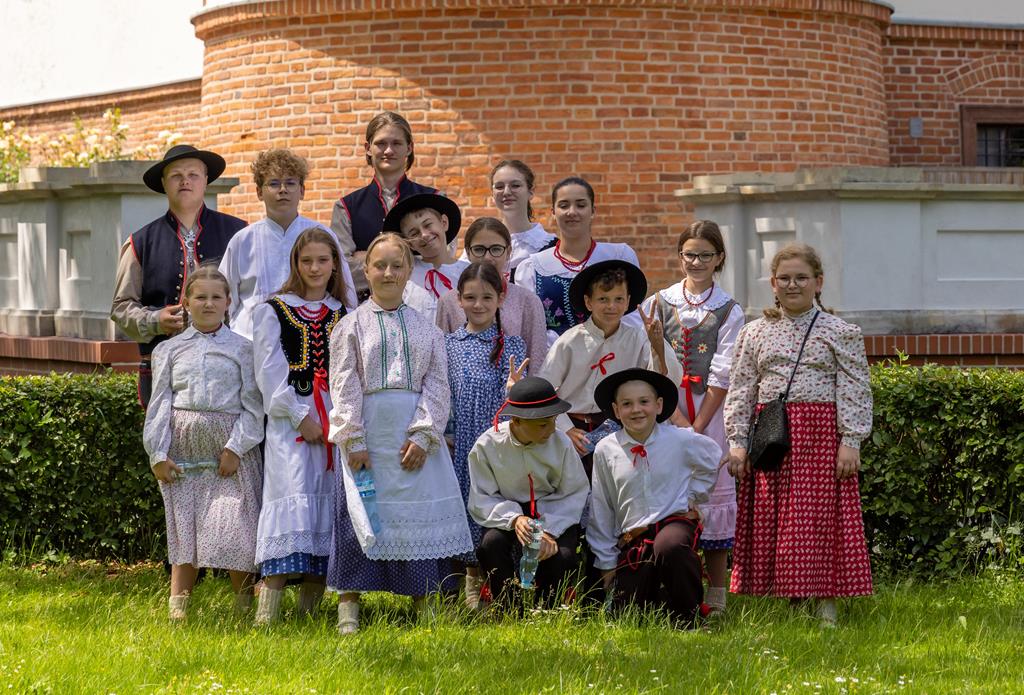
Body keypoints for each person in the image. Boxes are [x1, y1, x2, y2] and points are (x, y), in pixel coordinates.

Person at [327, 233, 473, 634]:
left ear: (409, 271)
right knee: (360, 515)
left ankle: (425, 604)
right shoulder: (350, 326)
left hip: (412, 436)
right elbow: (344, 383)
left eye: (397, 265)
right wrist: (353, 438)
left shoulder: (427, 330)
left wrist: (424, 435)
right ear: (366, 270)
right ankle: (348, 609)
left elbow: (438, 385)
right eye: (380, 265)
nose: (388, 273)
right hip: (368, 434)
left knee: (417, 515)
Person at [723, 243, 873, 627]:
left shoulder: (841, 332)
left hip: (820, 435)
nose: (793, 285)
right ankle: (791, 601)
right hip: (772, 436)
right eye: (785, 278)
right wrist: (737, 444)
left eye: (801, 278)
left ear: (818, 282)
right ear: (773, 284)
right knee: (779, 519)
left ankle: (825, 604)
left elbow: (855, 388)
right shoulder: (754, 333)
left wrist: (850, 441)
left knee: (818, 520)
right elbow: (742, 389)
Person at [142, 264, 264, 621]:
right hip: (184, 452)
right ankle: (178, 611)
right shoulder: (169, 350)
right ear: (186, 302)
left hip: (229, 453)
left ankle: (244, 609)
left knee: (236, 528)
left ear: (228, 302)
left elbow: (254, 406)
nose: (208, 304)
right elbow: (159, 403)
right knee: (186, 530)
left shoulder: (244, 350)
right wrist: (158, 453)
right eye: (200, 297)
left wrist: (236, 448)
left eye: (215, 297)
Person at [641, 220, 745, 615]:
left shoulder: (729, 309)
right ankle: (669, 586)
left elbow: (723, 371)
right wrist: (678, 419)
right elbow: (650, 363)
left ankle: (716, 594)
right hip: (665, 408)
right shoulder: (659, 302)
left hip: (710, 414)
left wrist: (698, 426)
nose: (696, 262)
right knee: (669, 494)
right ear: (679, 255)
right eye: (689, 254)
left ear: (719, 258)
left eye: (705, 255)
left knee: (713, 498)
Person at [251, 227, 348, 624]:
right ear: (295, 263)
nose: (314, 268)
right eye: (306, 260)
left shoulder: (343, 312)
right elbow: (268, 370)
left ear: (334, 264)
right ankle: (267, 616)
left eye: (322, 260)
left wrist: (340, 418)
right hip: (288, 419)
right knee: (290, 496)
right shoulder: (273, 309)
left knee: (327, 501)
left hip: (334, 417)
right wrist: (299, 416)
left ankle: (309, 614)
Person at [111, 144, 247, 408]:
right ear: (164, 183)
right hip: (164, 368)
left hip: (229, 365)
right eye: (176, 175)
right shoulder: (140, 241)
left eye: (193, 174)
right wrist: (155, 320)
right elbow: (121, 307)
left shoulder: (239, 233)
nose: (185, 181)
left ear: (206, 180)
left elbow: (254, 298)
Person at [589, 368, 719, 626]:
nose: (636, 410)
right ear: (616, 410)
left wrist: (692, 495)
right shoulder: (606, 449)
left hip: (674, 523)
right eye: (627, 404)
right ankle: (660, 602)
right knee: (628, 615)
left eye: (644, 401)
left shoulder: (679, 440)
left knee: (669, 546)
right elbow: (602, 505)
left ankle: (689, 619)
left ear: (658, 406)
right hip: (634, 536)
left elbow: (712, 459)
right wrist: (606, 562)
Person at [538, 259, 681, 476]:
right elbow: (544, 389)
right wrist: (566, 428)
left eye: (618, 299)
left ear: (628, 301)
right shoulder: (569, 341)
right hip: (573, 430)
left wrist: (657, 346)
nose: (611, 306)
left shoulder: (639, 338)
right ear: (588, 302)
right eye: (603, 299)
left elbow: (667, 380)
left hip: (618, 429)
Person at [444, 262, 528, 609]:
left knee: (491, 510)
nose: (478, 305)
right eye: (470, 297)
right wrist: (445, 434)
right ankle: (464, 587)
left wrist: (512, 391)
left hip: (497, 443)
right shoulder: (448, 344)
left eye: (486, 297)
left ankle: (492, 588)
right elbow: (443, 393)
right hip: (459, 442)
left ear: (500, 299)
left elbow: (518, 407)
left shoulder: (513, 345)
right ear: (458, 300)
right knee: (460, 510)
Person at [467, 376, 589, 611]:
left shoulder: (561, 442)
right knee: (490, 546)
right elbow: (482, 496)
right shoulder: (487, 445)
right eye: (543, 425)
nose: (551, 430)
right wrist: (515, 519)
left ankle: (546, 610)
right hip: (508, 511)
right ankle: (509, 608)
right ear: (516, 420)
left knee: (562, 555)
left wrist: (548, 530)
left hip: (554, 511)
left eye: (553, 421)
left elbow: (574, 492)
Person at [219, 149, 356, 339]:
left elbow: (346, 293)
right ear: (259, 192)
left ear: (302, 190)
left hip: (311, 342)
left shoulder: (322, 236)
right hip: (250, 342)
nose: (282, 189)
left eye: (290, 183)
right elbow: (223, 298)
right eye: (274, 183)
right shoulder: (242, 241)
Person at [514, 176, 641, 345]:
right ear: (553, 212)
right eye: (564, 205)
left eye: (581, 205)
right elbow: (531, 330)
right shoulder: (532, 268)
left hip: (614, 355)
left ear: (592, 211)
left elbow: (633, 317)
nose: (572, 212)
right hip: (555, 359)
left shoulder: (619, 256)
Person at [331, 111, 439, 300]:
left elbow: (440, 260)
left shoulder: (435, 200)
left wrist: (370, 260)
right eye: (381, 143)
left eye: (396, 143)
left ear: (409, 148)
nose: (388, 151)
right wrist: (415, 260)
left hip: (424, 304)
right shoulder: (346, 207)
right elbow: (343, 271)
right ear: (368, 148)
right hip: (366, 307)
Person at [436, 217, 549, 366]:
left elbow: (537, 361)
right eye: (479, 249)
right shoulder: (449, 302)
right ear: (468, 252)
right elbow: (440, 361)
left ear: (508, 252)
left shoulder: (528, 301)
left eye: (496, 249)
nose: (487, 257)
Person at [381, 192, 468, 320]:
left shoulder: (468, 272)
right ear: (409, 243)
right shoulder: (406, 275)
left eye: (428, 225)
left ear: (444, 223)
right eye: (414, 233)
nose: (424, 235)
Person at [487, 160, 555, 276]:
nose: (506, 192)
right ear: (492, 194)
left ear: (531, 192)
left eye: (515, 185)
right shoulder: (482, 242)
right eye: (499, 186)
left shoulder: (550, 246)